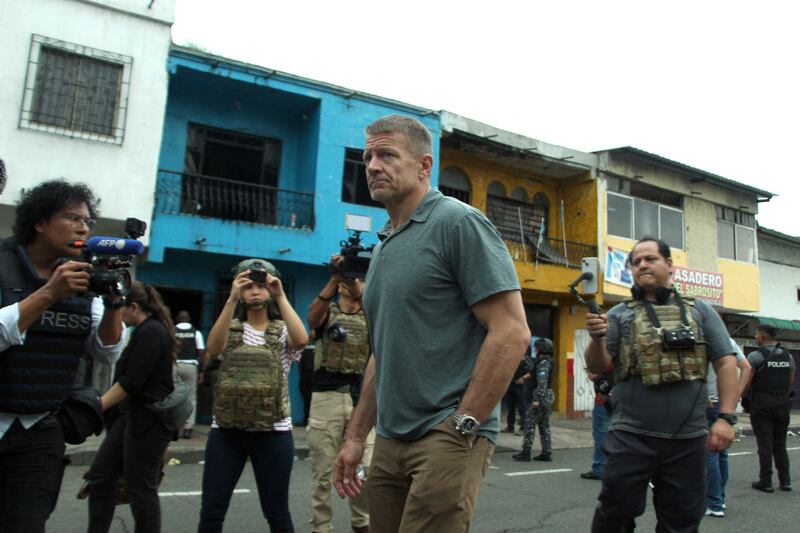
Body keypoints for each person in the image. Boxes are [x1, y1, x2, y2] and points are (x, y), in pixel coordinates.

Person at [333, 115, 531, 533]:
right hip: (389, 437)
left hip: (446, 432)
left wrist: (465, 423)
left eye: (387, 154)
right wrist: (355, 437)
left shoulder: (458, 223)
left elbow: (512, 330)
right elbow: (381, 354)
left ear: (424, 166)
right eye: (368, 156)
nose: (372, 165)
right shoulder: (385, 243)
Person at [585, 236, 739, 532]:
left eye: (650, 259)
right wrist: (597, 338)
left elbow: (726, 362)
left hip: (688, 439)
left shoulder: (701, 311)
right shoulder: (619, 314)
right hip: (630, 436)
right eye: (636, 262)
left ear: (669, 265)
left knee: (681, 523)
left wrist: (726, 418)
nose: (642, 265)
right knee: (613, 517)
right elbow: (597, 365)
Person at [0, 179, 125, 532]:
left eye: (88, 221)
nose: (83, 227)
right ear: (39, 222)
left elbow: (106, 352)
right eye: (72, 218)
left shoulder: (83, 278)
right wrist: (49, 293)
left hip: (40, 428)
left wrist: (115, 299)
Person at [197, 259, 307, 533]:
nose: (255, 292)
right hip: (226, 431)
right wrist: (231, 299)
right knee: (211, 511)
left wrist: (280, 294)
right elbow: (213, 347)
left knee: (277, 512)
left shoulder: (282, 330)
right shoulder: (231, 327)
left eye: (262, 286)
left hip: (274, 432)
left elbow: (302, 340)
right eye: (248, 286)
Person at [86, 282, 177, 533]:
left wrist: (97, 406)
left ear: (133, 308)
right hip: (129, 417)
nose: (117, 314)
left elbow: (132, 381)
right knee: (101, 477)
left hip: (148, 421)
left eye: (120, 308)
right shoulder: (144, 331)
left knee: (140, 489)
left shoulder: (152, 332)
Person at [307, 258, 372, 533]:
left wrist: (360, 292)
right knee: (323, 471)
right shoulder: (327, 311)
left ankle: (361, 523)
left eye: (356, 278)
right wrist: (334, 277)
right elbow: (312, 318)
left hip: (363, 401)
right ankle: (321, 527)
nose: (350, 283)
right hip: (327, 397)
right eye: (347, 280)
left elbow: (381, 316)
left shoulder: (371, 315)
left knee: (366, 469)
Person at [704, 338, 751, 516]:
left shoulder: (705, 338)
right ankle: (719, 499)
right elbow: (747, 367)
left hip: (709, 402)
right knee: (721, 452)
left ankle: (714, 503)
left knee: (710, 452)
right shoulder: (728, 341)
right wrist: (735, 396)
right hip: (724, 405)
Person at [746, 323, 794, 493]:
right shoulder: (788, 356)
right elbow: (790, 379)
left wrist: (744, 396)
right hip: (782, 402)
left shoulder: (755, 356)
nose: (755, 337)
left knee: (765, 443)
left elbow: (747, 380)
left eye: (756, 334)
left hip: (762, 402)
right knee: (780, 444)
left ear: (762, 337)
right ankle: (785, 481)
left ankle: (765, 481)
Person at [513, 338, 555, 462]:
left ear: (540, 349)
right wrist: (522, 378)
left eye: (536, 347)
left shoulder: (543, 363)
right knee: (544, 425)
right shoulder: (543, 361)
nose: (534, 350)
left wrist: (537, 400)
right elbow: (532, 373)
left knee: (530, 425)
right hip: (546, 396)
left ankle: (526, 452)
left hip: (540, 396)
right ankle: (546, 452)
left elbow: (542, 381)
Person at [175, 310, 205, 439]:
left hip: (174, 366)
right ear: (188, 319)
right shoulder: (195, 332)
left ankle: (174, 426)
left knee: (173, 396)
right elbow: (201, 351)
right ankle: (188, 427)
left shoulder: (172, 330)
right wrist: (202, 370)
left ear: (178, 319)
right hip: (190, 366)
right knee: (191, 397)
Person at [580, 369, 614, 480]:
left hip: (604, 403)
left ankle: (599, 468)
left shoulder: (604, 363)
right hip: (619, 403)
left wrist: (595, 377)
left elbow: (602, 383)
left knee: (601, 436)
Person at [503, 346, 530, 435]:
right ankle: (510, 427)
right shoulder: (512, 358)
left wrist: (523, 378)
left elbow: (531, 372)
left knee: (522, 408)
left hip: (520, 387)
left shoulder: (526, 359)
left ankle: (524, 428)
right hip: (511, 384)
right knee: (511, 407)